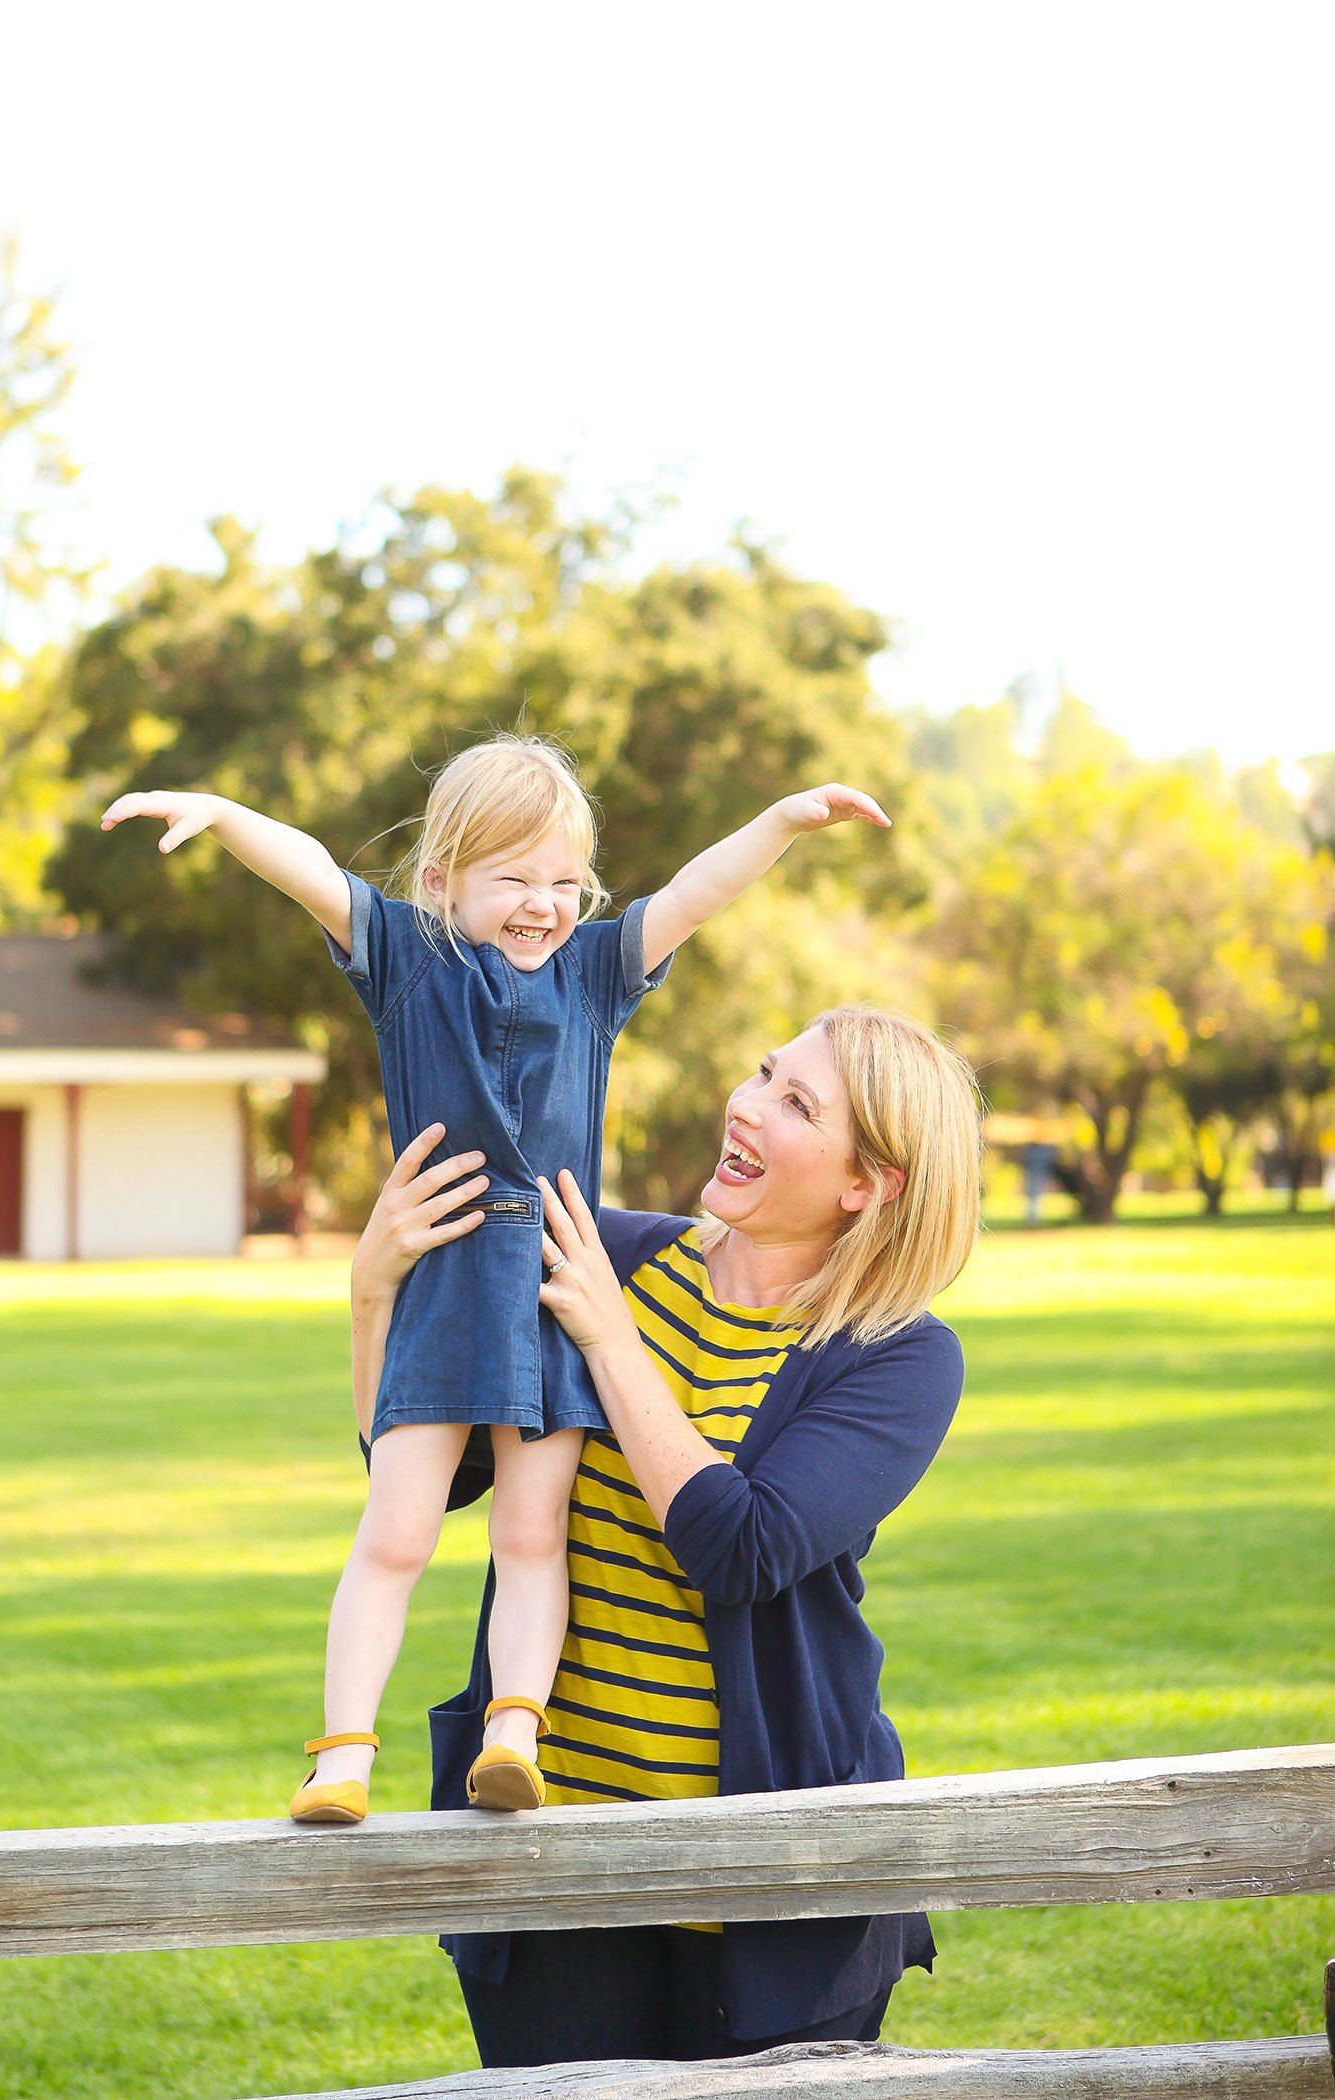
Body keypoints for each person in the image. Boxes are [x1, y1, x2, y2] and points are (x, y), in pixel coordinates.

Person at [99, 737, 890, 1826]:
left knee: (531, 1536)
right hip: (444, 1281)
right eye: (514, 878)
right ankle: (340, 1757)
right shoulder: (408, 963)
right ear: (441, 882)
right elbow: (316, 871)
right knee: (396, 1532)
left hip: (556, 1292)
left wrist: (783, 822)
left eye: (565, 883)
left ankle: (513, 1732)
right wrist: (224, 812)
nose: (544, 904)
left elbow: (693, 897)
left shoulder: (594, 976)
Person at [349, 1003, 981, 2063]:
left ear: (866, 1184)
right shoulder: (615, 1253)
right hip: (551, 1850)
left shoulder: (899, 1358)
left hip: (777, 1872)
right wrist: (374, 1298)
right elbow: (427, 1478)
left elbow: (741, 1546)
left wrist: (608, 1333)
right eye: (763, 1070)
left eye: (796, 1102)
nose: (747, 1104)